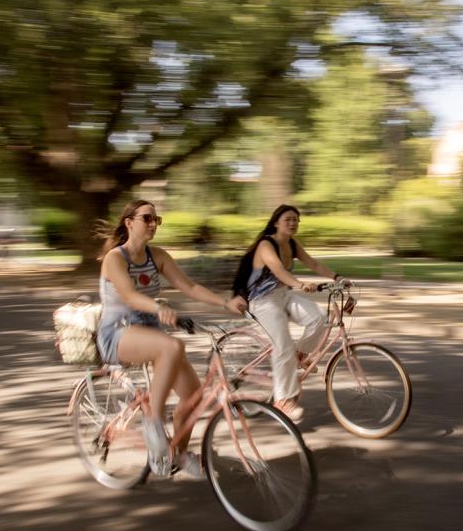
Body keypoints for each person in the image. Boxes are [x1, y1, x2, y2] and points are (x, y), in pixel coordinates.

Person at [96, 199, 247, 478]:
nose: (153, 224)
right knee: (172, 345)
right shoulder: (115, 258)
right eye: (147, 218)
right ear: (129, 222)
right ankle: (153, 423)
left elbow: (189, 286)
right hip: (117, 332)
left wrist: (225, 303)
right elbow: (129, 296)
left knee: (193, 397)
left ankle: (178, 454)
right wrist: (160, 308)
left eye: (156, 219)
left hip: (150, 333)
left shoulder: (158, 256)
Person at [232, 204, 343, 423]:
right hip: (262, 302)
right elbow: (278, 270)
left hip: (283, 295)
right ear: (276, 222)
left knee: (320, 318)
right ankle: (282, 400)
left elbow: (313, 263)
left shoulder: (292, 244)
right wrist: (301, 284)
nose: (293, 223)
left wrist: (337, 277)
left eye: (296, 220)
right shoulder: (266, 244)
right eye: (288, 219)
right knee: (282, 346)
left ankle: (299, 355)